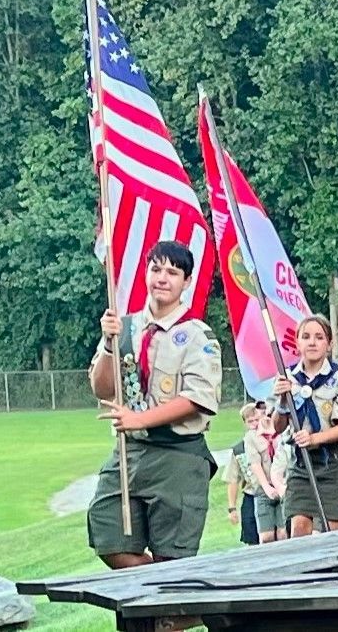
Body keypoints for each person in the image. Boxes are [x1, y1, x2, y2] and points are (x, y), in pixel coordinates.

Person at [88, 240, 222, 569]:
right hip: (130, 452)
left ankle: (169, 607)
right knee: (107, 534)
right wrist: (109, 344)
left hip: (178, 454)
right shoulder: (125, 327)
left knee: (173, 554)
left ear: (186, 282)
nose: (162, 278)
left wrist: (141, 418)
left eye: (172, 272)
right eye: (156, 269)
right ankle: (171, 597)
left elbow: (197, 399)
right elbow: (102, 388)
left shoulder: (197, 336)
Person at [270, 315, 338, 536]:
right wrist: (283, 401)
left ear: (328, 345)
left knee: (331, 530)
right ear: (297, 343)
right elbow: (278, 426)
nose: (312, 342)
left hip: (333, 463)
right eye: (306, 337)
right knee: (299, 526)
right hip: (302, 463)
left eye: (319, 337)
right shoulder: (287, 377)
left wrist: (313, 439)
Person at [222, 402, 264, 545]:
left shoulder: (271, 441)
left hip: (271, 493)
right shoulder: (239, 449)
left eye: (257, 420)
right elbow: (233, 479)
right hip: (251, 495)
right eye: (250, 421)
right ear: (245, 423)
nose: (254, 424)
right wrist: (232, 508)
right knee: (251, 538)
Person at [249, 405, 288, 542]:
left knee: (284, 533)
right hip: (264, 488)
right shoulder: (252, 437)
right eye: (260, 408)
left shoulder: (283, 431)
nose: (264, 412)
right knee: (266, 536)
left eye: (267, 407)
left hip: (284, 485)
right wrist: (267, 487)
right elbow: (255, 463)